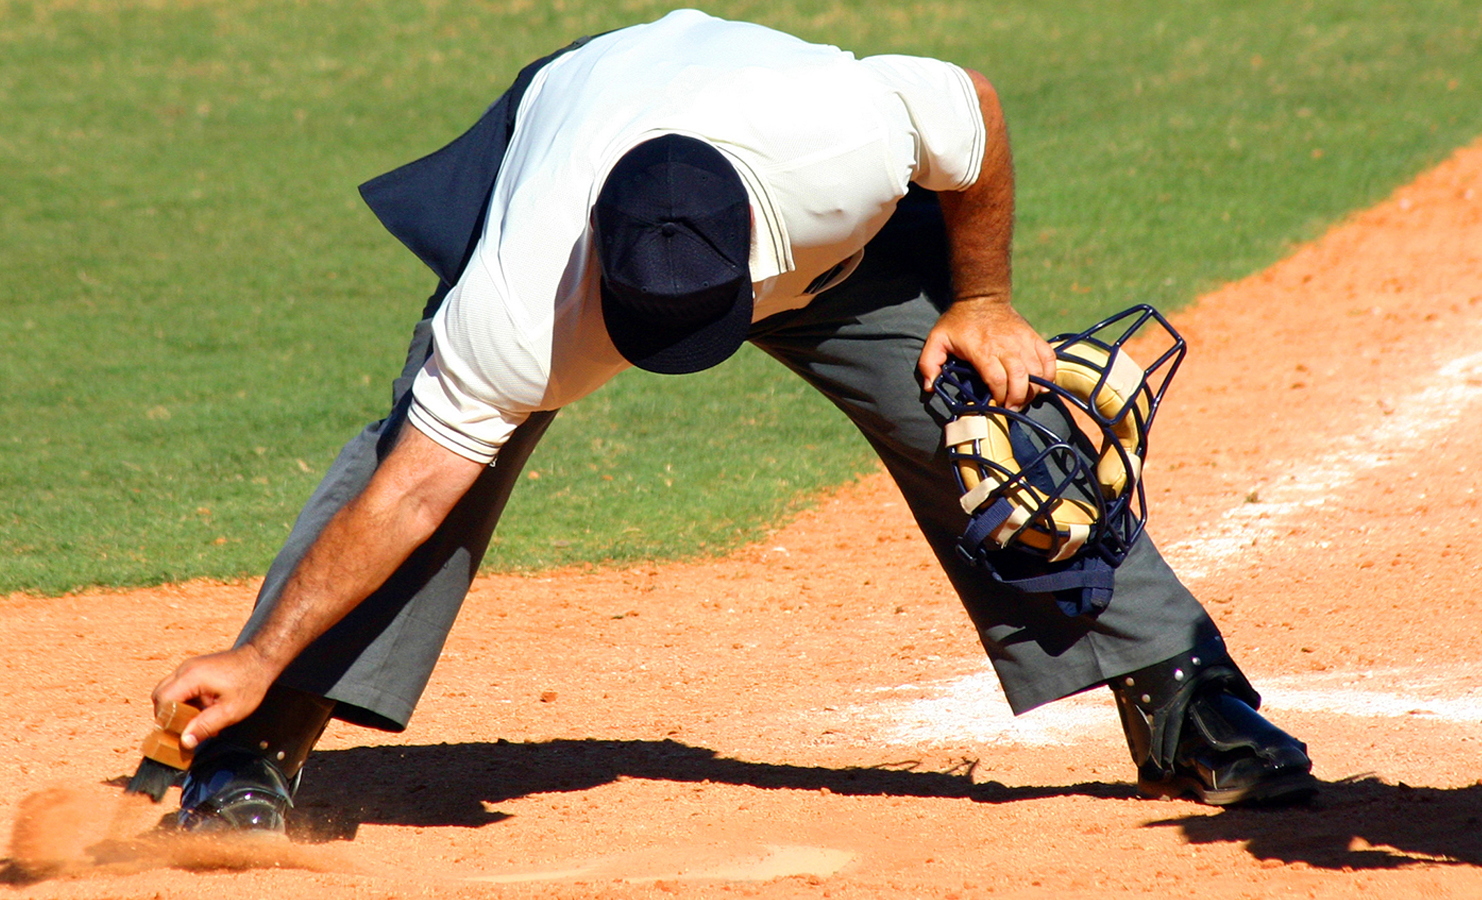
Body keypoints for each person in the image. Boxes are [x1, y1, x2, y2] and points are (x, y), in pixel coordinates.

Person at [152, 9, 1314, 834]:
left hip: (807, 216)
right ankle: (259, 732)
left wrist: (981, 301)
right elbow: (407, 489)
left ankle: (1181, 694)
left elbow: (976, 118)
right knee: (440, 461)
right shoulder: (523, 295)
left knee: (984, 422)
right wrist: (253, 656)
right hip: (574, 115)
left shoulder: (841, 151)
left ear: (755, 251)